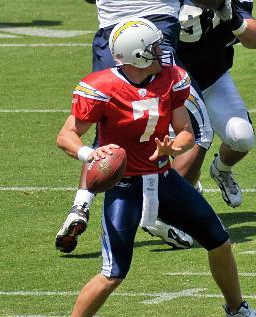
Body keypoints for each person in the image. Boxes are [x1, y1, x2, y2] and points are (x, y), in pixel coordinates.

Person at [50, 18, 256, 317]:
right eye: (155, 47)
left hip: (163, 178)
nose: (162, 50)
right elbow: (66, 135)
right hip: (125, 186)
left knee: (220, 242)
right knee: (113, 271)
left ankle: (237, 310)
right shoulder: (101, 87)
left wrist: (175, 146)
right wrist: (91, 155)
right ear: (138, 55)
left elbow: (184, 129)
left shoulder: (173, 78)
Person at [54, 0, 230, 252]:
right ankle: (161, 209)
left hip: (112, 37)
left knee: (104, 131)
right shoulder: (161, 61)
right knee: (199, 130)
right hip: (153, 29)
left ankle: (80, 206)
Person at [177, 0, 256, 207]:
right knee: (183, 151)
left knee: (242, 137)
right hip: (174, 86)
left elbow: (255, 39)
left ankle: (221, 170)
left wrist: (232, 18)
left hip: (213, 79)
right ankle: (186, 197)